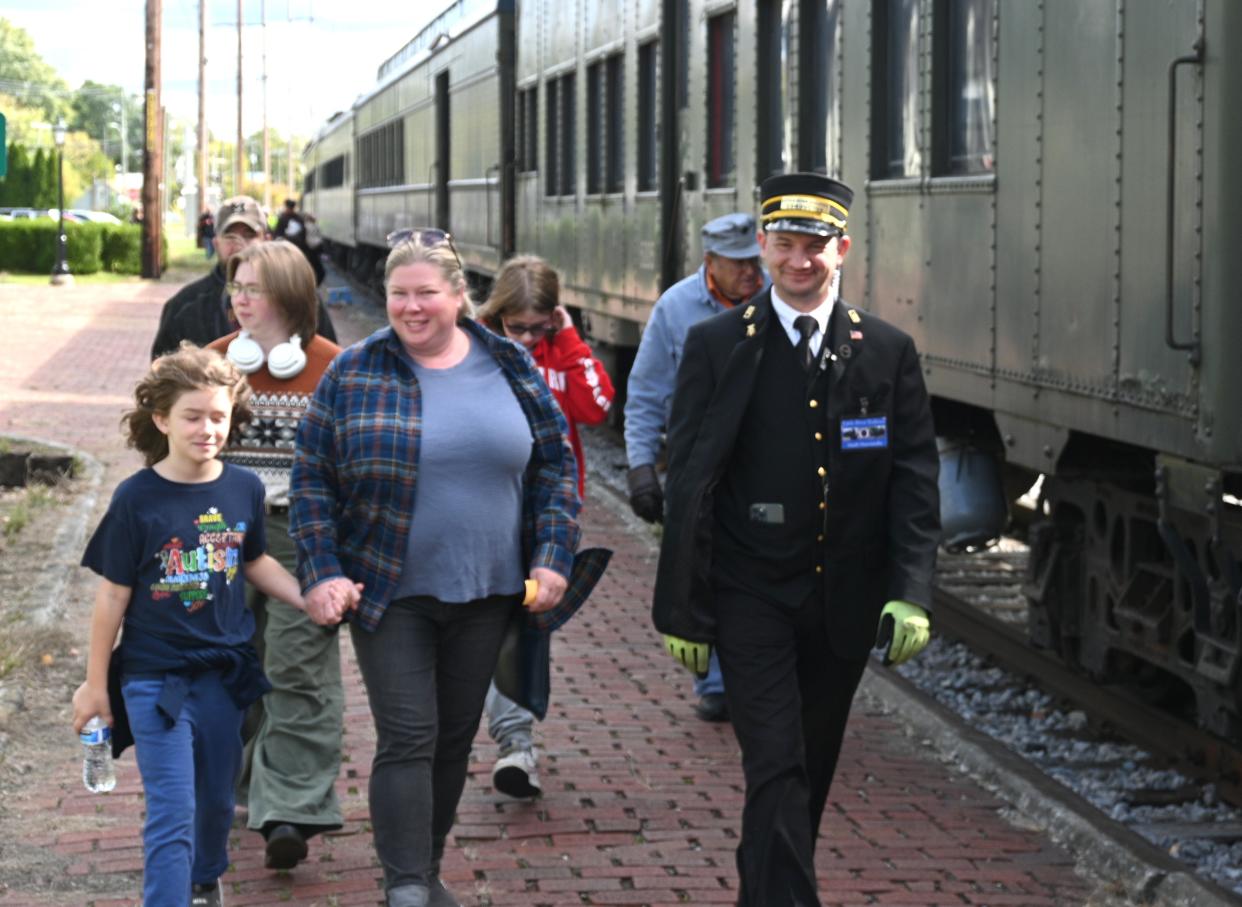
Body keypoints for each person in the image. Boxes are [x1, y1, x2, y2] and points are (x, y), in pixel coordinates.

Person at [652, 173, 940, 904]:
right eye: (784, 245)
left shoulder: (886, 351)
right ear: (764, 248)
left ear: (841, 249)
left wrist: (910, 594)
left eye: (814, 246)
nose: (798, 261)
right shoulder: (718, 344)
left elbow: (912, 480)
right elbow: (689, 480)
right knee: (775, 759)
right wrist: (683, 607)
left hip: (844, 599)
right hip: (751, 594)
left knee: (805, 768)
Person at [289, 230, 580, 907]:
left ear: (459, 294)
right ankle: (407, 886)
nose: (412, 307)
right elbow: (311, 480)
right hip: (388, 588)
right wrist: (322, 569)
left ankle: (426, 865)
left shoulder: (509, 364)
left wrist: (552, 555)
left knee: (453, 736)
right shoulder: (354, 372)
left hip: (489, 588)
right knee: (409, 732)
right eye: (399, 294)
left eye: (426, 293)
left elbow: (555, 467)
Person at [70, 346, 313, 907]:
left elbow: (253, 561)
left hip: (225, 676)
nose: (208, 429)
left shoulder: (244, 489)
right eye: (193, 416)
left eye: (219, 417)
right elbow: (112, 595)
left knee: (216, 804)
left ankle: (205, 878)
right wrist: (94, 683)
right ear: (162, 420)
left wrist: (308, 599)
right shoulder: (136, 499)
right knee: (173, 809)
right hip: (155, 680)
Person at [206, 241, 344, 870]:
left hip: (299, 538)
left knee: (297, 668)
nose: (240, 297)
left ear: (289, 296)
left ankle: (289, 809)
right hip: (221, 536)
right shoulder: (209, 366)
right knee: (232, 668)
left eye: (254, 287)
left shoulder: (335, 370)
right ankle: (243, 785)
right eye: (237, 285)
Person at [476, 254, 615, 798]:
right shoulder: (476, 352)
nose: (530, 339)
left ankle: (516, 745)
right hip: (486, 513)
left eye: (540, 327)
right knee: (483, 626)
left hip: (548, 520)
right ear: (498, 316)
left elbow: (597, 408)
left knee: (526, 624)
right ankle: (503, 737)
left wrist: (572, 342)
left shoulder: (563, 352)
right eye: (519, 328)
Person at [624, 212, 766, 723]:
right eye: (739, 264)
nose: (752, 273)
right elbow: (646, 392)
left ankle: (755, 674)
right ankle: (716, 682)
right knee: (704, 568)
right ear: (710, 263)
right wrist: (642, 467)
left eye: (756, 260)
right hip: (700, 462)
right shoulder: (677, 308)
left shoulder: (783, 299)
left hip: (767, 461)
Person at [150, 195, 338, 359]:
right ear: (216, 243)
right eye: (230, 236)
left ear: (267, 239)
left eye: (249, 235)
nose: (239, 244)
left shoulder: (300, 297)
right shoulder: (184, 306)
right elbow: (162, 384)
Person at [274, 197, 325, 285]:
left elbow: (278, 235)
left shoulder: (283, 218)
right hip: (299, 252)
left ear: (286, 207)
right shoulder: (299, 219)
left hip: (289, 252)